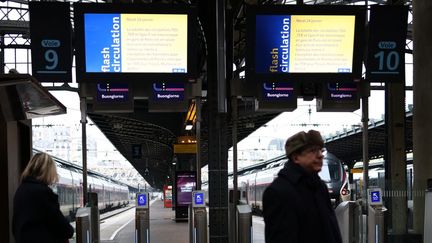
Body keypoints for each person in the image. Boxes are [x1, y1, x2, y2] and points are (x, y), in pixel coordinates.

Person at [262, 130, 342, 243]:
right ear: (295, 157)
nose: (320, 155)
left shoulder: (320, 187)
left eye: (321, 150)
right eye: (313, 151)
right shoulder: (278, 192)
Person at [12, 152, 74, 243]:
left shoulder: (20, 190)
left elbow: (15, 226)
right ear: (48, 171)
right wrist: (69, 228)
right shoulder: (43, 192)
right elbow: (63, 227)